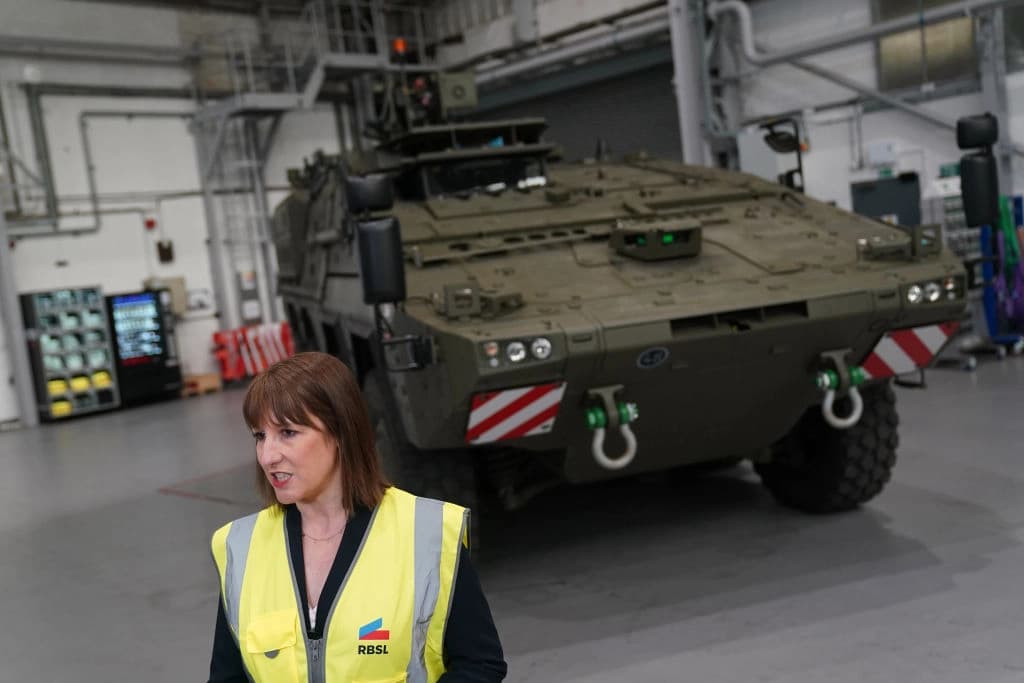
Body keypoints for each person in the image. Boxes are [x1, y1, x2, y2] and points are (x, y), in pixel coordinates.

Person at [208, 352, 507, 682]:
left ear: (340, 433)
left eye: (288, 433)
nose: (267, 456)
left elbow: (479, 665)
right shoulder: (241, 548)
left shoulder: (427, 533)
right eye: (259, 436)